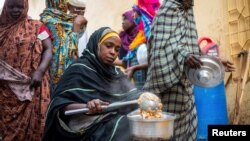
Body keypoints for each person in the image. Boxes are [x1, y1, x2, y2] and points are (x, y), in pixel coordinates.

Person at [143, 0, 235, 140]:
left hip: (187, 86)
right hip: (168, 90)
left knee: (187, 130)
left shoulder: (187, 11)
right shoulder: (168, 9)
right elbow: (160, 48)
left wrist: (216, 62)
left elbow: (191, 48)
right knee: (166, 133)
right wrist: (183, 56)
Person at [42, 27, 141, 141]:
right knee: (128, 128)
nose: (113, 52)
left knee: (141, 123)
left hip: (109, 119)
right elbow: (60, 105)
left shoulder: (115, 72)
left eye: (117, 49)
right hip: (86, 126)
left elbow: (131, 94)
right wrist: (87, 106)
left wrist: (145, 97)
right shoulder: (79, 69)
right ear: (96, 44)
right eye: (108, 46)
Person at [0, 0, 52, 140]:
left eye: (19, 6)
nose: (15, 10)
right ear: (6, 7)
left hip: (32, 86)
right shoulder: (1, 28)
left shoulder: (37, 27)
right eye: (11, 6)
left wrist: (40, 71)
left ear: (26, 7)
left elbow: (48, 49)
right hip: (5, 92)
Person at [40, 0, 87, 90]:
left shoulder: (70, 20)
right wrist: (76, 26)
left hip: (71, 71)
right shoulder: (49, 21)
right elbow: (68, 48)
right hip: (52, 72)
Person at [122, 0, 160, 90]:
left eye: (134, 12)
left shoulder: (150, 34)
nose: (132, 15)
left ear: (141, 13)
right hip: (139, 86)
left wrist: (135, 68)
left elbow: (155, 60)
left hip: (150, 86)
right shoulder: (141, 35)